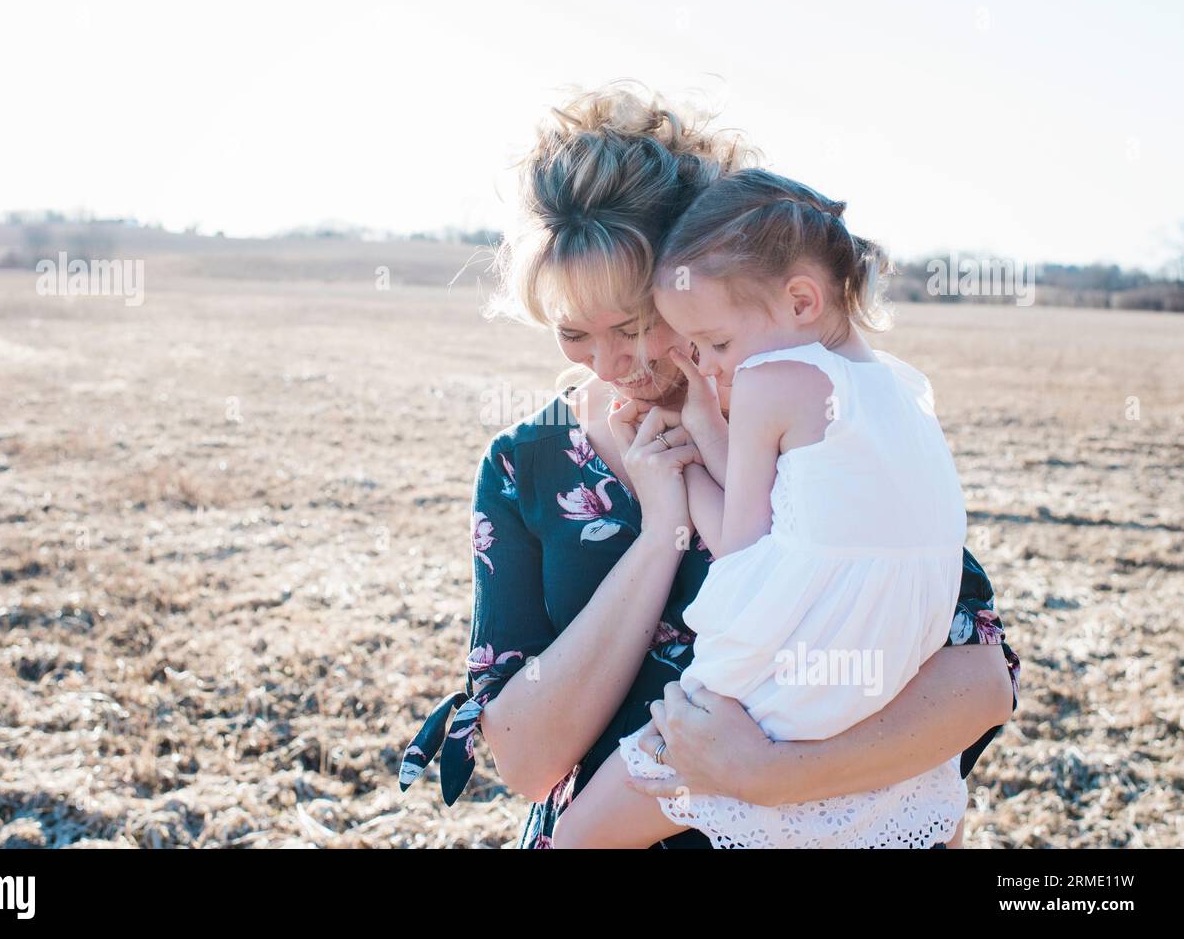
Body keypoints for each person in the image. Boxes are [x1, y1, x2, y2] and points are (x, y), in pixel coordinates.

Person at [398, 83, 1020, 849]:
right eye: (572, 334)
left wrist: (762, 774)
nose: (611, 364)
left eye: (635, 323)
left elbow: (979, 684)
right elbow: (528, 760)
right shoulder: (527, 466)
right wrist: (662, 533)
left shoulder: (815, 425)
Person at [555, 168, 975, 848]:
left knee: (578, 838)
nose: (713, 366)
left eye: (716, 343)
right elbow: (794, 519)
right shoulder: (901, 388)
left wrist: (673, 476)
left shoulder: (768, 381)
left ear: (801, 300)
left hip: (780, 692)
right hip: (881, 685)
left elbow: (744, 551)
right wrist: (703, 427)